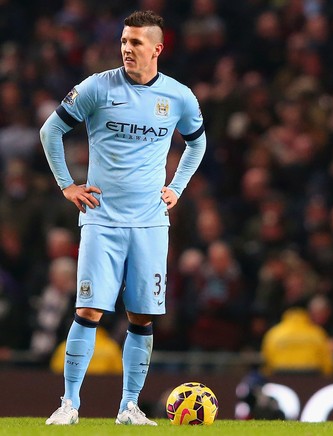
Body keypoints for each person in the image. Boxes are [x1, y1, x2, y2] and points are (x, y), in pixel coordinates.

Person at [40, 10, 206, 425]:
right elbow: (50, 131)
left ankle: (129, 407)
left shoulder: (179, 97)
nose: (127, 49)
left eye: (135, 43)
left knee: (142, 316)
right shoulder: (97, 87)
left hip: (150, 223)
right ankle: (69, 405)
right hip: (102, 219)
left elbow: (197, 144)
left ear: (157, 48)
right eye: (123, 41)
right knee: (89, 310)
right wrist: (67, 184)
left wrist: (177, 187)